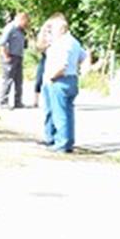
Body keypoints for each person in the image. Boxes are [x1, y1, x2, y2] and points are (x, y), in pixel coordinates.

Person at [40, 14, 87, 153]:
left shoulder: (63, 43)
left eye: (52, 29)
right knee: (67, 113)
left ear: (60, 29)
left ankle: (62, 144)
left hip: (60, 80)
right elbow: (83, 58)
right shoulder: (74, 42)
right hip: (71, 78)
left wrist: (52, 77)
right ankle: (66, 141)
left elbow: (62, 65)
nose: (50, 32)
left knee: (60, 113)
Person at [0, 11, 29, 109]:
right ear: (20, 19)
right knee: (8, 80)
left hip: (19, 56)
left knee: (19, 80)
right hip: (10, 56)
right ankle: (3, 102)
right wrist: (6, 56)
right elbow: (2, 43)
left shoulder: (21, 30)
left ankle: (18, 102)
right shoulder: (10, 28)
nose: (26, 24)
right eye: (25, 21)